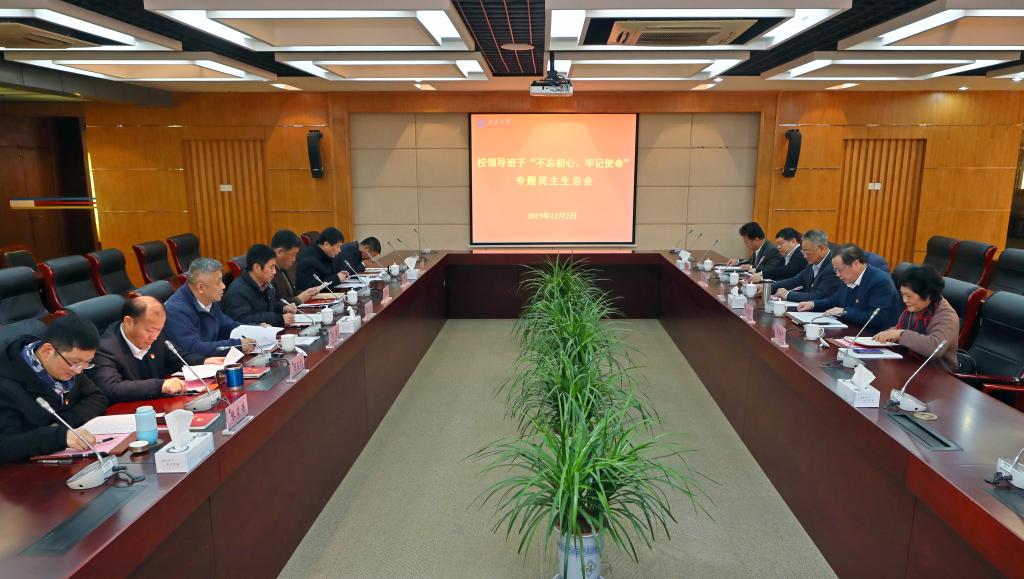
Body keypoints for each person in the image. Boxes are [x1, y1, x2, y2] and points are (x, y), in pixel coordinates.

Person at [0, 315, 108, 464]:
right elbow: (5, 445)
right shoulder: (6, 385)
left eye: (87, 363)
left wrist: (62, 424)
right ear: (47, 351)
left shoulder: (67, 364)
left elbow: (96, 397)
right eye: (75, 363)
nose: (79, 371)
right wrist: (59, 437)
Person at [89, 297, 226, 403]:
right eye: (150, 330)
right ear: (128, 322)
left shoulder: (155, 335)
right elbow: (112, 388)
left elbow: (176, 358)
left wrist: (204, 361)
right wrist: (159, 385)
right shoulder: (105, 348)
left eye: (159, 330)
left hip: (157, 405)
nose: (154, 336)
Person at [797, 245, 903, 332]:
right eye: (835, 270)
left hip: (871, 336)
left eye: (839, 270)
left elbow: (876, 318)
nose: (837, 274)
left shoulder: (879, 282)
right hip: (849, 330)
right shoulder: (848, 277)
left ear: (855, 263)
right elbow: (834, 300)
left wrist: (844, 311)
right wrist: (813, 304)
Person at [165, 257, 255, 359]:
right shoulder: (176, 310)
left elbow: (228, 327)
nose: (223, 286)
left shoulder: (208, 298)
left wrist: (258, 330)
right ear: (201, 287)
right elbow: (193, 348)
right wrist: (237, 345)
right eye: (218, 282)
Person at [873, 265, 959, 371]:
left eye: (909, 296)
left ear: (928, 294)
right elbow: (901, 329)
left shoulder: (946, 315)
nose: (905, 300)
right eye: (903, 294)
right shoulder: (917, 307)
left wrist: (900, 334)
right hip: (908, 364)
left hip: (936, 373)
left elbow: (935, 347)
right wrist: (888, 333)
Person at [223, 244, 297, 327]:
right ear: (257, 267)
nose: (274, 272)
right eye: (271, 267)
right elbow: (242, 320)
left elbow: (267, 308)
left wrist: (283, 308)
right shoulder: (237, 292)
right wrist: (278, 320)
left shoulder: (265, 284)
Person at [770, 229, 843, 302]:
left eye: (807, 252)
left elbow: (819, 296)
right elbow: (796, 280)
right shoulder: (813, 262)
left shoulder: (833, 267)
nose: (804, 256)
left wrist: (787, 294)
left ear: (821, 248)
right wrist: (769, 287)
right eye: (803, 252)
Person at [270, 229, 319, 306]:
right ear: (279, 252)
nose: (294, 260)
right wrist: (298, 299)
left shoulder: (286, 267)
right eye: (292, 255)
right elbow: (272, 305)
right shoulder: (267, 272)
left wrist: (307, 294)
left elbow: (290, 294)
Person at [295, 226, 347, 291]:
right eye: (338, 246)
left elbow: (327, 276)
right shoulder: (308, 260)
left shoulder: (327, 254)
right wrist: (337, 278)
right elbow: (312, 288)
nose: (339, 250)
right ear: (326, 244)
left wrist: (339, 275)